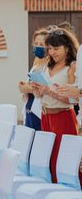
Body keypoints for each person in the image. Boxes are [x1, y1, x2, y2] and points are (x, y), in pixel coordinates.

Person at [30, 28, 79, 183]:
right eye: (49, 48)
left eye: (56, 48)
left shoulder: (72, 67)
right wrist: (36, 89)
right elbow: (40, 95)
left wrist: (49, 91)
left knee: (63, 161)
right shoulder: (47, 66)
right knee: (48, 159)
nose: (52, 52)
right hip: (46, 117)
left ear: (67, 47)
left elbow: (73, 100)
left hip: (63, 118)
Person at [18, 28, 49, 130]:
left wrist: (29, 88)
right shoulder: (35, 66)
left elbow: (46, 89)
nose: (38, 46)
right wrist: (23, 87)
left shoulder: (50, 67)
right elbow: (28, 88)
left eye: (42, 44)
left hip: (41, 112)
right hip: (29, 110)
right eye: (36, 43)